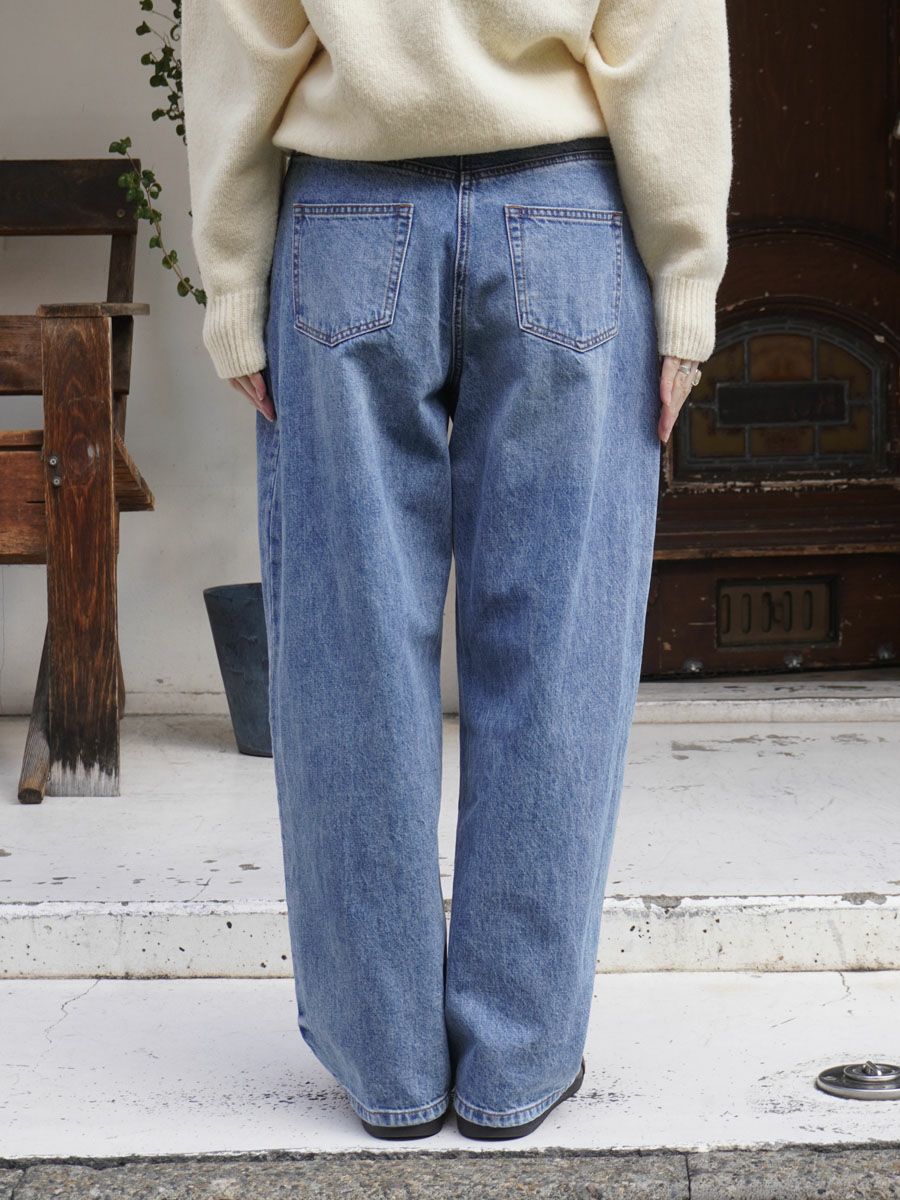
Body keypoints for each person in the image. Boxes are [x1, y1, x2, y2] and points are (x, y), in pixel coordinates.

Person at [181, 0, 732, 1142]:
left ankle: (387, 1066)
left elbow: (242, 27)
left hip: (347, 215)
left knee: (347, 657)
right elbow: (663, 27)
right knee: (557, 658)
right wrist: (686, 275)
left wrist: (233, 277)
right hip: (568, 215)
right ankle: (516, 1064)